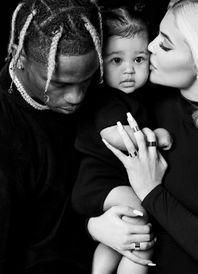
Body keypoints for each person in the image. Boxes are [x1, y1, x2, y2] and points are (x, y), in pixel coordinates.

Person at [73, 0, 198, 273]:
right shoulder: (139, 103)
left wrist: (152, 192)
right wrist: (93, 226)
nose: (150, 47)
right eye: (157, 36)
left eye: (166, 44)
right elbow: (78, 189)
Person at [0, 0, 103, 273]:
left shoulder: (103, 98)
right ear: (18, 56)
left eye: (87, 79)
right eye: (60, 84)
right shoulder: (7, 132)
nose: (77, 97)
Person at [88, 5, 171, 274]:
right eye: (116, 60)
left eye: (138, 59)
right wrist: (152, 137)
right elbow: (114, 135)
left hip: (120, 181)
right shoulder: (107, 100)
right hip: (101, 180)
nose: (128, 70)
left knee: (124, 228)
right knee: (138, 222)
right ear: (100, 62)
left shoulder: (145, 97)